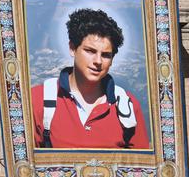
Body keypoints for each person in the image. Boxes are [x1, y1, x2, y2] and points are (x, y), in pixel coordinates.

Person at [31, 8, 149, 150]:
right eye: (90, 51)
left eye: (106, 55)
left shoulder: (127, 106)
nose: (98, 61)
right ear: (72, 48)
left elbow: (141, 168)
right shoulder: (38, 100)